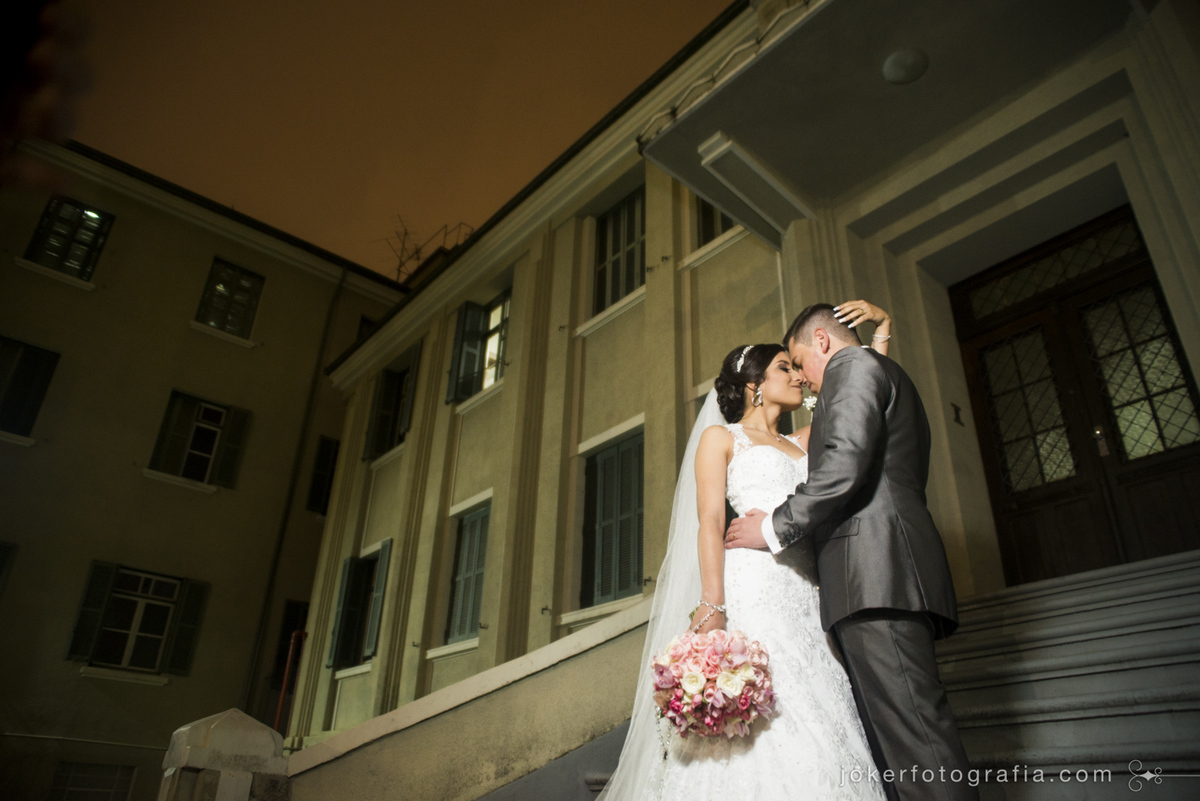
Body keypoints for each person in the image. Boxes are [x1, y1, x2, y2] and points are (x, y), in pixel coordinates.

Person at [598, 301, 893, 800]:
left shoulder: (805, 440)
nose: (799, 376)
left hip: (806, 587)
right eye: (785, 367)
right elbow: (711, 521)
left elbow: (863, 400)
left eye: (798, 367)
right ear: (754, 384)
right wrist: (713, 604)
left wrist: (879, 336)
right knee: (766, 706)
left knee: (820, 698)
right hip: (753, 584)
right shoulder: (721, 438)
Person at [725, 303, 977, 801]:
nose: (805, 380)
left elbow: (843, 467)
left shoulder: (853, 367)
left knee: (918, 741)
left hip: (875, 575)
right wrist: (879, 338)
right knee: (905, 741)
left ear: (822, 342)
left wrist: (772, 527)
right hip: (875, 572)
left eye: (799, 362)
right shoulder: (874, 368)